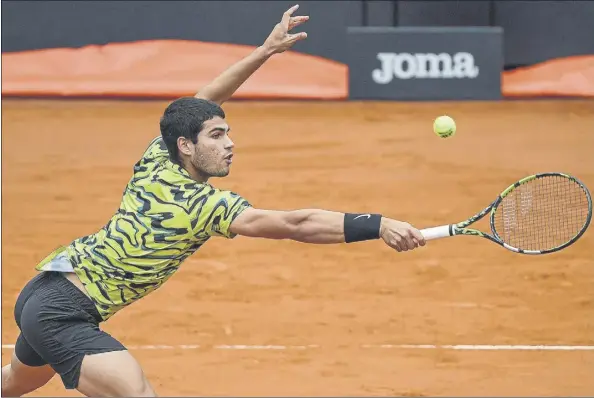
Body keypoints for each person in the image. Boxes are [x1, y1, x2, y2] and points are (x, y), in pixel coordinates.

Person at [1, 5, 425, 397]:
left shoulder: (158, 158)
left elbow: (203, 102)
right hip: (63, 311)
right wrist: (378, 224)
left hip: (45, 289)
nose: (231, 145)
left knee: (14, 383)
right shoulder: (204, 207)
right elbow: (296, 225)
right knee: (136, 394)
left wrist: (266, 50)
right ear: (186, 145)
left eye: (228, 133)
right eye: (217, 136)